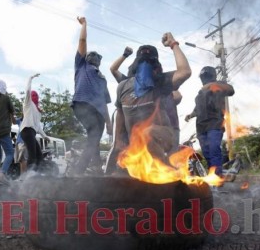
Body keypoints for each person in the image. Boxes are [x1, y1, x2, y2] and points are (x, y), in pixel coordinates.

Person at [113, 33, 191, 166]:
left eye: (149, 61)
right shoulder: (123, 86)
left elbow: (185, 72)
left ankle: (164, 168)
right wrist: (118, 140)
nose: (145, 65)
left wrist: (173, 44)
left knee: (147, 133)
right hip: (135, 146)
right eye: (142, 61)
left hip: (164, 137)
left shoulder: (161, 83)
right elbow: (120, 113)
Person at [70, 16, 112, 175]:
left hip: (96, 112)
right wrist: (84, 24)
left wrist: (108, 123)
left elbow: (104, 103)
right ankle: (78, 170)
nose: (93, 59)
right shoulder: (81, 65)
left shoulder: (102, 78)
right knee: (94, 136)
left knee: (95, 137)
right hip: (83, 104)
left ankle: (95, 167)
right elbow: (82, 41)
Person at [185, 66, 234, 178]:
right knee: (206, 153)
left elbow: (231, 90)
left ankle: (217, 177)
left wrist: (213, 85)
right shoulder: (199, 94)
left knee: (214, 149)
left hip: (215, 124)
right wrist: (190, 115)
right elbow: (197, 109)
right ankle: (213, 175)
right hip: (201, 127)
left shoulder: (218, 86)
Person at [20, 74, 49, 172]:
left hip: (31, 132)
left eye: (36, 95)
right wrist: (30, 78)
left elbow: (38, 127)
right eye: (33, 95)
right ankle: (29, 176)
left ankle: (38, 174)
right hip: (26, 130)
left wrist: (45, 136)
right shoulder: (28, 103)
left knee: (39, 155)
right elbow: (28, 91)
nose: (34, 96)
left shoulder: (37, 110)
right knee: (32, 154)